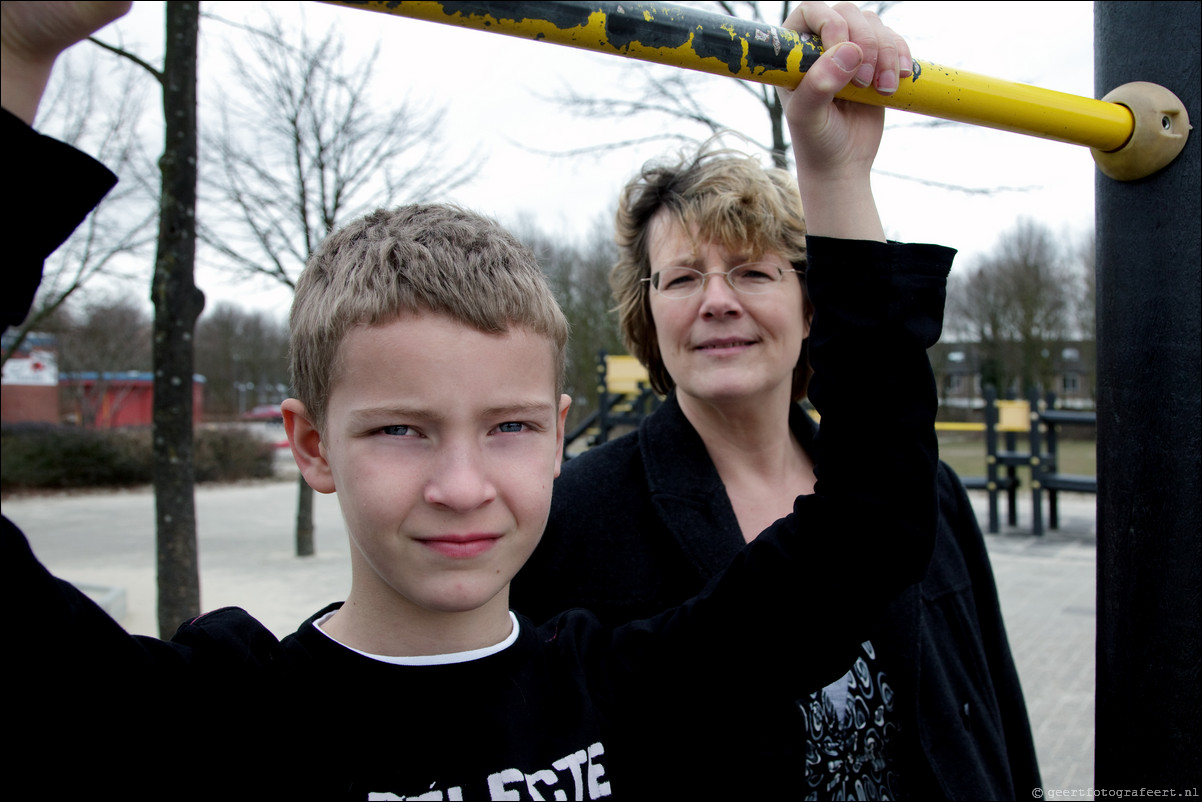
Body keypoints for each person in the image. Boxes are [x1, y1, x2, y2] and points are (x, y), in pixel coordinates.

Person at [5, 2, 947, 799]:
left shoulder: (624, 691)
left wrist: (833, 175)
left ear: (557, 437)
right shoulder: (219, 725)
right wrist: (14, 50)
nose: (462, 486)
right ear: (311, 445)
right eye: (401, 431)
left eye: (508, 427)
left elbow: (873, 522)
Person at [511, 5, 1041, 801]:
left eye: (754, 273)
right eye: (684, 277)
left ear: (813, 305)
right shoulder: (571, 518)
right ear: (646, 313)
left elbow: (992, 709)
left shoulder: (924, 498)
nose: (716, 301)